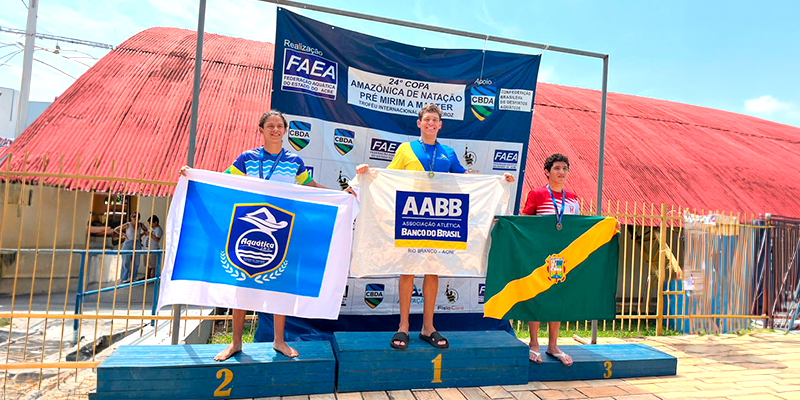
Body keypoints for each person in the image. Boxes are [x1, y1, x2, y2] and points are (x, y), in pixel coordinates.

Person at [180, 110, 353, 361]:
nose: (275, 130)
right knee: (241, 284)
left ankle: (279, 341)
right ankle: (236, 342)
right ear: (261, 130)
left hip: (281, 229)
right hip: (247, 229)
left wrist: (342, 195)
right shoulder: (247, 158)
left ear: (285, 131)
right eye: (270, 126)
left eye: (279, 126)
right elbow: (223, 180)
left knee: (279, 284)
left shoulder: (294, 161)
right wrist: (194, 175)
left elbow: (310, 186)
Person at [356, 104, 515, 350]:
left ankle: (428, 327)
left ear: (440, 125)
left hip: (438, 221)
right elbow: (388, 179)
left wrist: (497, 182)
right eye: (427, 120)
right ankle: (403, 327)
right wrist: (366, 174)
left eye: (435, 120)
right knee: (406, 270)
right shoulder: (405, 150)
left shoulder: (448, 153)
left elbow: (465, 182)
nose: (431, 123)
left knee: (433, 270)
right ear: (419, 123)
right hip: (410, 218)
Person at [520, 153, 579, 366]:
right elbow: (525, 222)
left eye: (565, 168)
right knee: (538, 297)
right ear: (547, 171)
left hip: (562, 258)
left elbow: (576, 226)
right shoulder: (536, 194)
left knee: (557, 299)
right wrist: (506, 223)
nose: (561, 172)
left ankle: (553, 345)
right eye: (556, 168)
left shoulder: (572, 197)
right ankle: (533, 343)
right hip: (540, 256)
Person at [114, 212, 148, 283]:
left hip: (137, 243)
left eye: (137, 216)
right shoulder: (128, 224)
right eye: (134, 216)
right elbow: (116, 229)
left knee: (136, 261)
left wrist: (141, 235)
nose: (136, 218)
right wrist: (123, 234)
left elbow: (146, 230)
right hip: (128, 243)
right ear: (131, 217)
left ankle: (134, 277)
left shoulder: (140, 225)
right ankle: (124, 278)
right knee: (126, 261)